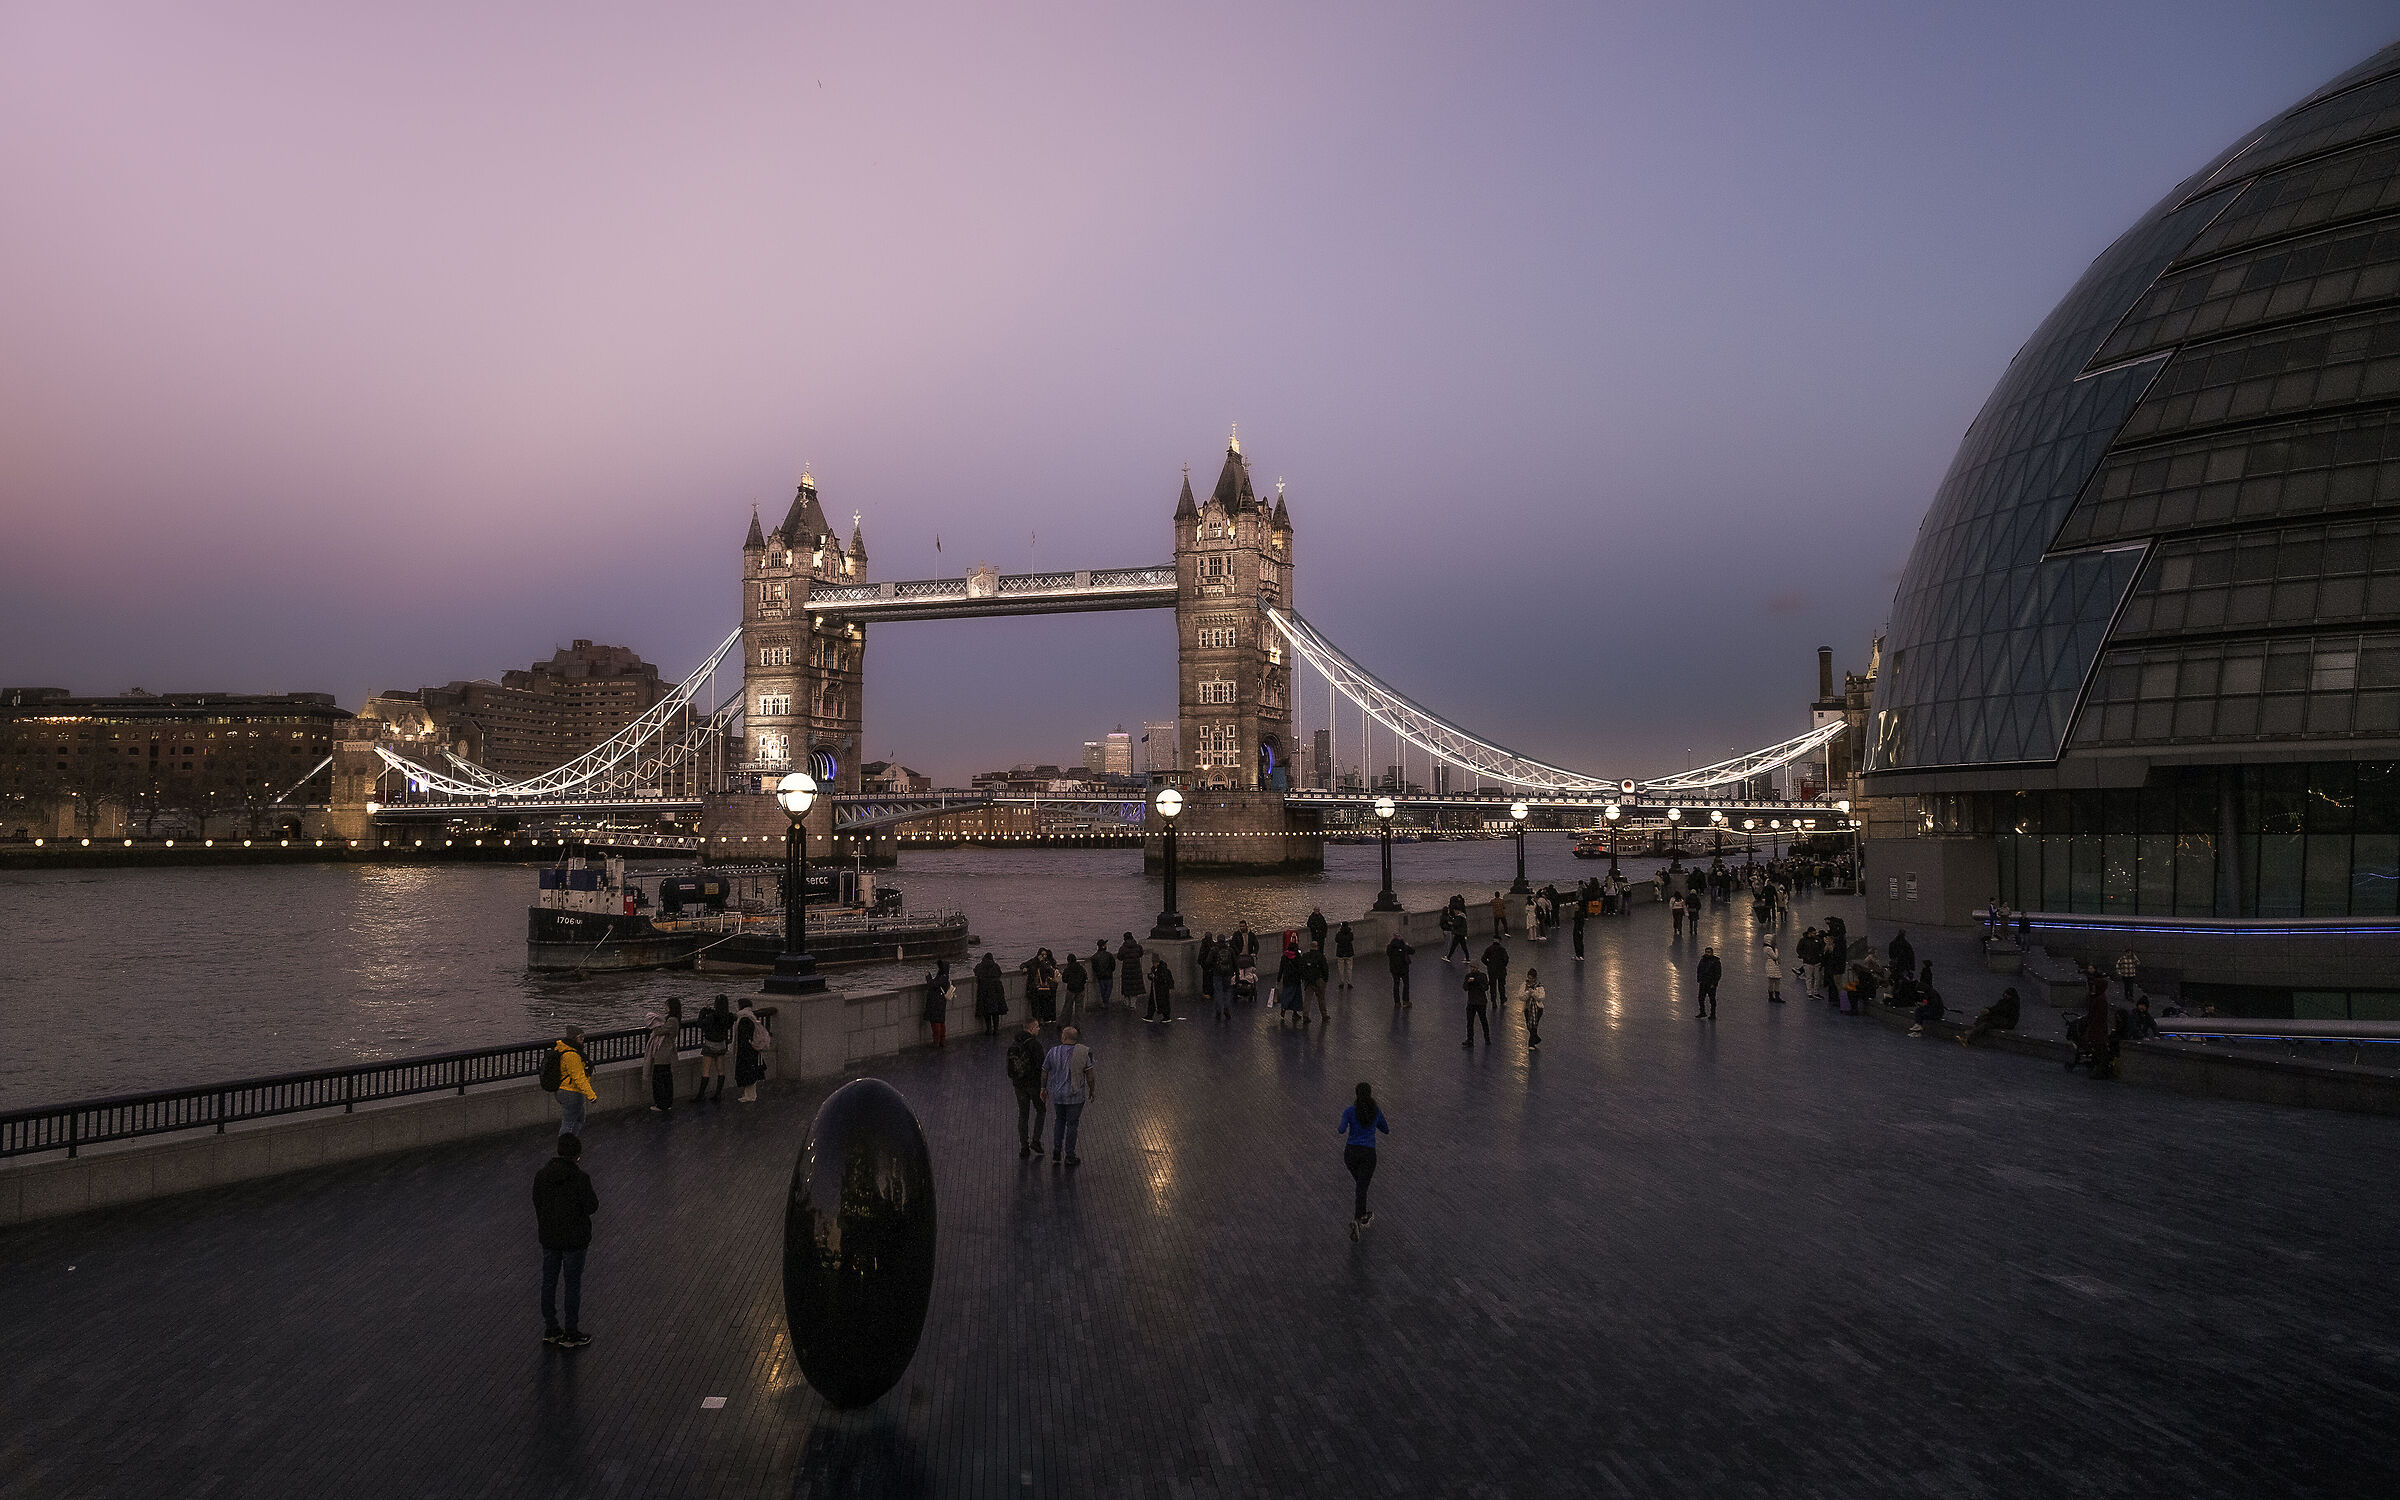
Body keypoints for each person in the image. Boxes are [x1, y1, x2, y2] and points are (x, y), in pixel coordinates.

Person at [533, 1132, 599, 1349]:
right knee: (572, 1285)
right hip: (574, 1240)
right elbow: (592, 1206)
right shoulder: (581, 1178)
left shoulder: (541, 1175)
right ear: (576, 1156)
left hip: (550, 1238)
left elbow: (537, 1201)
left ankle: (551, 1328)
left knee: (548, 1282)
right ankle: (571, 1333)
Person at [1337, 1082, 1389, 1238]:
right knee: (1362, 1187)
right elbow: (1386, 1130)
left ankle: (1363, 1216)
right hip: (1368, 1154)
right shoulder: (1376, 1112)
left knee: (1361, 1186)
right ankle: (1358, 1219)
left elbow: (1341, 1130)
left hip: (1350, 1154)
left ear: (1356, 1094)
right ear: (1370, 1093)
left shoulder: (1349, 1111)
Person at [1043, 1024, 1096, 1166]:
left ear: (1064, 1037)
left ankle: (1056, 1151)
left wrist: (1043, 1088)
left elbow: (1045, 1071)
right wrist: (1092, 1090)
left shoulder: (1053, 1051)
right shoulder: (1082, 1053)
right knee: (1072, 1125)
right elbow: (1090, 1076)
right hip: (1075, 1096)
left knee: (1059, 1121)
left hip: (1058, 1094)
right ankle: (1070, 1155)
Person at [1007, 1016, 1048, 1158]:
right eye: (1037, 1027)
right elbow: (1042, 1066)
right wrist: (1043, 1086)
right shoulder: (1035, 1045)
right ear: (1031, 1029)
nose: (1039, 1029)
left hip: (1019, 1085)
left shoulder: (1014, 1044)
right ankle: (1036, 1140)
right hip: (1033, 1085)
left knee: (1023, 1114)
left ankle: (1024, 1146)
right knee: (1041, 1110)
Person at [548, 1029, 596, 1136]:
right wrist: (591, 1095)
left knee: (579, 1119)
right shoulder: (572, 1055)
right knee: (568, 1124)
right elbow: (579, 1078)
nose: (583, 1039)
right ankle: (565, 1143)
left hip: (563, 1090)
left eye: (583, 1036)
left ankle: (571, 1141)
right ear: (574, 1039)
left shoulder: (563, 1049)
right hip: (571, 1092)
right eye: (580, 1037)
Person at [694, 995, 733, 1101]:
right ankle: (718, 1094)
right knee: (721, 1070)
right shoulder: (728, 1016)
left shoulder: (712, 1017)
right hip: (721, 1044)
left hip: (710, 1044)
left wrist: (703, 1012)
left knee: (705, 1071)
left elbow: (700, 1024)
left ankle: (701, 1095)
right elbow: (727, 1024)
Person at [646, 999, 681, 1115]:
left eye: (667, 1006)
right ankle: (667, 1103)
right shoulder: (674, 1020)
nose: (665, 1008)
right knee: (666, 1079)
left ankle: (661, 1104)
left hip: (663, 1054)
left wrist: (654, 1023)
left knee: (659, 1080)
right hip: (667, 1054)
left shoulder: (671, 1021)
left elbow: (658, 1031)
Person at [733, 1000, 771, 1103]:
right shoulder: (751, 1016)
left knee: (747, 1073)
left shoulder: (743, 1018)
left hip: (746, 1051)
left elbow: (744, 1037)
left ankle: (749, 1095)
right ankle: (750, 1094)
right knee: (752, 1073)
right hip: (753, 1050)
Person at [973, 951, 1007, 1035]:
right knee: (995, 1013)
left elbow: (975, 971)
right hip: (995, 992)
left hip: (984, 991)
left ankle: (988, 1030)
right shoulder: (996, 966)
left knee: (987, 1012)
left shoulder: (980, 966)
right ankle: (996, 1029)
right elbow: (999, 974)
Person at [1023, 948, 1059, 1024]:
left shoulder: (1047, 963)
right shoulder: (1033, 961)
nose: (1044, 956)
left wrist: (1042, 962)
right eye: (1042, 955)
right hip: (1035, 987)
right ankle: (1037, 1021)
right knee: (1035, 1006)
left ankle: (1042, 1020)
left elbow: (1049, 970)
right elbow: (1024, 964)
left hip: (1044, 988)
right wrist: (1024, 968)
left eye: (1045, 954)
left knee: (1043, 1004)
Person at [922, 960, 953, 1046]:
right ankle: (941, 1040)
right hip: (940, 1002)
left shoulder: (942, 977)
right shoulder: (945, 977)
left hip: (936, 1002)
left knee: (936, 1022)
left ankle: (937, 1041)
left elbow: (933, 984)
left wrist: (928, 976)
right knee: (940, 1021)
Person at [1908, 967, 1946, 1036]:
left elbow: (1934, 1005)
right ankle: (1918, 1025)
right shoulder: (1928, 992)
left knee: (1922, 1014)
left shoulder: (1931, 994)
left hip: (1937, 1012)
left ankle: (1919, 1028)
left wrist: (1925, 1005)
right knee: (1918, 1011)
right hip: (1934, 1009)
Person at [1480, 935, 1509, 1020]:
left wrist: (1489, 965)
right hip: (1501, 970)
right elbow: (1506, 959)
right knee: (1501, 985)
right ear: (1499, 941)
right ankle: (1502, 999)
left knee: (1492, 986)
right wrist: (1503, 965)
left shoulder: (1489, 949)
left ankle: (1493, 1001)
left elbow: (1483, 959)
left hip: (1492, 971)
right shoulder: (1502, 949)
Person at [1462, 966, 1492, 1048]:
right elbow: (1465, 988)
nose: (1472, 969)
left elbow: (1485, 987)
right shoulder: (1468, 976)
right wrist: (1468, 982)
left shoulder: (1482, 976)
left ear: (1477, 968)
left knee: (1483, 1020)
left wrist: (1476, 982)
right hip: (1472, 1002)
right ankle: (1470, 1039)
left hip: (1480, 1003)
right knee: (1470, 1022)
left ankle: (1487, 1038)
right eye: (1471, 967)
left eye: (1474, 967)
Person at [1303, 943, 1331, 1024]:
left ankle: (1305, 1015)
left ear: (1310, 947)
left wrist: (1305, 977)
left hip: (1308, 981)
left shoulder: (1305, 956)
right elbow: (1325, 969)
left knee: (1307, 999)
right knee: (1321, 998)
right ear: (1317, 947)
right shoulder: (1321, 956)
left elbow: (1302, 968)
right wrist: (1325, 979)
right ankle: (1324, 1015)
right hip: (1319, 980)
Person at [1117, 933, 1146, 1009]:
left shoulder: (1123, 948)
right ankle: (1133, 1004)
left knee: (1127, 987)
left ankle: (1127, 1002)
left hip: (1126, 971)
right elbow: (1141, 954)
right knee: (1134, 988)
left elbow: (1119, 957)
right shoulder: (1138, 947)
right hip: (1136, 970)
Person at [1059, 950, 1086, 1028]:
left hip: (1071, 990)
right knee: (1079, 1009)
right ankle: (1078, 1025)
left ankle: (1064, 1023)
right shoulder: (1081, 968)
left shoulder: (1068, 969)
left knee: (1067, 1007)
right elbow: (1085, 978)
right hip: (1081, 990)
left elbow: (1064, 979)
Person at [1520, 968, 1545, 1050]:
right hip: (1527, 1008)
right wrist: (1528, 993)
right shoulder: (1524, 985)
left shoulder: (1539, 986)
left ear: (1535, 978)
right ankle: (1536, 1038)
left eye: (1531, 978)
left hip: (1538, 1009)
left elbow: (1541, 997)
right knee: (1529, 1025)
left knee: (1534, 1025)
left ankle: (1531, 1044)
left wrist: (1533, 993)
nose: (1530, 979)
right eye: (1529, 977)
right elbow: (1521, 996)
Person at [1387, 932, 1413, 1008]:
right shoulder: (1404, 946)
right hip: (1404, 969)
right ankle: (1405, 1001)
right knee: (1406, 984)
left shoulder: (1390, 947)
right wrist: (1408, 945)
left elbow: (1388, 954)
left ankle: (1397, 1002)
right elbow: (1413, 951)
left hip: (1394, 969)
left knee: (1396, 985)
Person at [1147, 955, 1175, 1022]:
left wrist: (1155, 977)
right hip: (1158, 990)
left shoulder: (1161, 969)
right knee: (1159, 1002)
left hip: (1160, 990)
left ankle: (1152, 1016)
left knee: (1158, 1002)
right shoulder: (1158, 969)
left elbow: (1162, 979)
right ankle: (1152, 1016)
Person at [1695, 947, 1721, 1020]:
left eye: (1709, 952)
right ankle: (1702, 1012)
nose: (1707, 953)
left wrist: (1714, 983)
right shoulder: (1703, 960)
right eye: (1706, 952)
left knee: (1712, 1000)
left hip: (1710, 984)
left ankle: (1713, 1014)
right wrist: (1699, 979)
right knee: (1701, 998)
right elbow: (1699, 969)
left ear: (1712, 953)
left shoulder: (1716, 962)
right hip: (1703, 983)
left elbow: (1718, 974)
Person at [1090, 939, 1117, 1008]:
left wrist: (1098, 973)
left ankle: (1104, 1003)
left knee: (1103, 990)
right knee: (1108, 990)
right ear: (1103, 946)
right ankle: (1105, 1002)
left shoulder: (1094, 957)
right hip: (1108, 975)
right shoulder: (1109, 955)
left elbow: (1094, 967)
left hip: (1100, 976)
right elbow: (1113, 965)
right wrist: (1110, 970)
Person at [1334, 921, 1356, 989]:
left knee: (1341, 969)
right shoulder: (1350, 934)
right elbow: (1351, 939)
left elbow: (1336, 940)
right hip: (1349, 953)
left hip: (1340, 953)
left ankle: (1342, 982)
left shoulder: (1339, 934)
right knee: (1349, 968)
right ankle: (1349, 982)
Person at [1571, 892, 1586, 961]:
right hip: (1578, 929)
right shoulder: (1580, 913)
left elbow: (1580, 922)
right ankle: (1580, 955)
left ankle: (1578, 955)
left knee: (1577, 942)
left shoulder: (1578, 914)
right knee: (1579, 942)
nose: (1575, 907)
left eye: (1576, 906)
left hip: (1577, 929)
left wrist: (1579, 929)